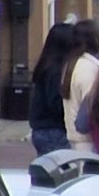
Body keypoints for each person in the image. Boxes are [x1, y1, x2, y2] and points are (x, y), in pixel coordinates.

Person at [27, 22, 82, 155]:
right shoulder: (55, 71)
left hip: (44, 128)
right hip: (53, 129)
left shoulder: (47, 66)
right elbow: (56, 103)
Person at [64, 19, 99, 152]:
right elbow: (91, 105)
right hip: (87, 140)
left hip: (75, 136)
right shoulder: (89, 68)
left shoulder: (72, 63)